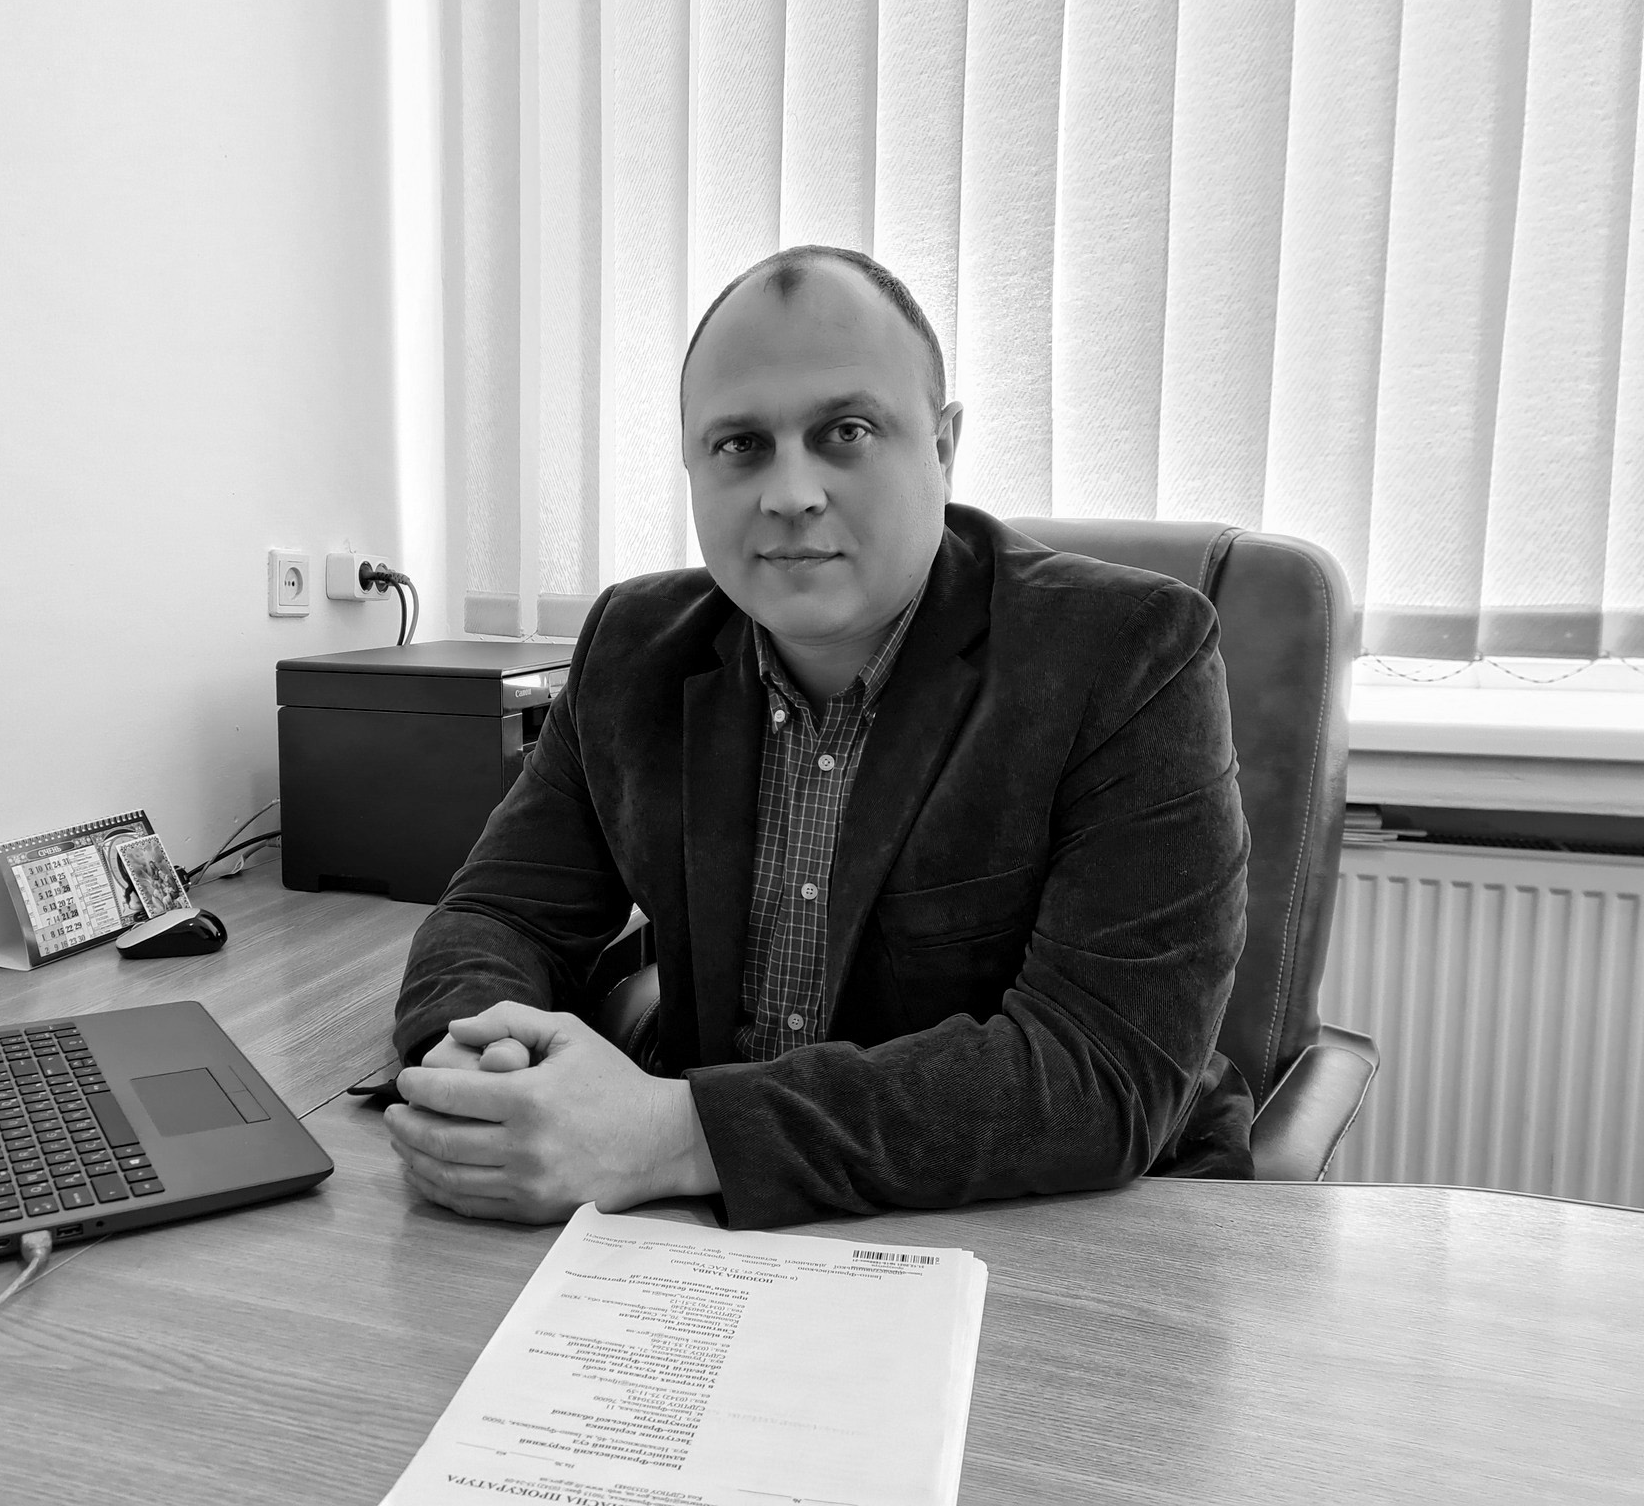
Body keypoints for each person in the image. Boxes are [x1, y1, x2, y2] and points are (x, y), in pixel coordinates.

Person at [386, 245, 1253, 1230]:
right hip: (709, 1238)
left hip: (1054, 1225)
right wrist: (479, 1059)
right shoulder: (635, 648)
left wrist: (675, 1133)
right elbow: (500, 913)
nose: (789, 492)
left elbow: (1098, 1070)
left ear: (941, 445)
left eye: (845, 431)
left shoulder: (1125, 652)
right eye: (740, 443)